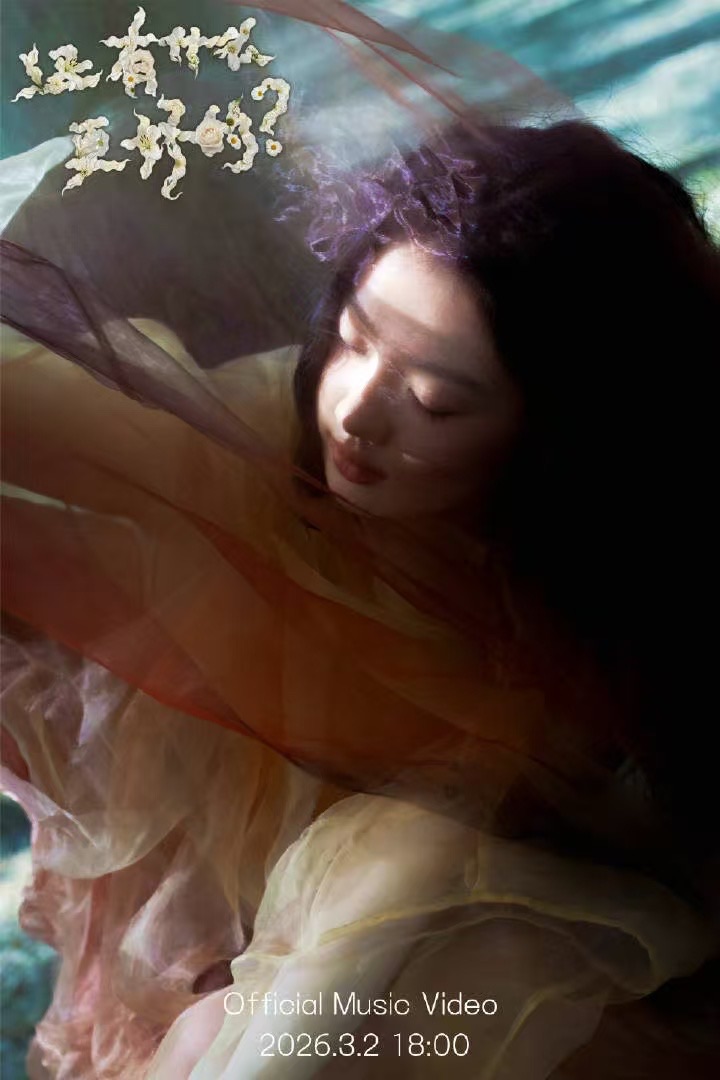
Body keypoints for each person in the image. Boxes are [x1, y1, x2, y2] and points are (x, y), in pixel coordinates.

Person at [2, 3, 719, 1077]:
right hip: (347, 904)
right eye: (349, 338)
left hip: (546, 937)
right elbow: (48, 419)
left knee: (407, 893)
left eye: (435, 403)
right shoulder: (265, 445)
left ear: (558, 434)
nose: (355, 413)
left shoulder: (635, 590)